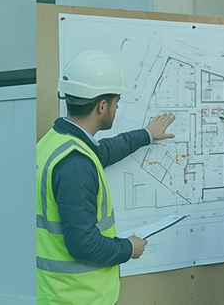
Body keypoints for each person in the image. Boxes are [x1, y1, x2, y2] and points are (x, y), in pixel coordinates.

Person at [36, 49, 176, 305]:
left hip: (57, 292)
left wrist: (146, 134)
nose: (117, 106)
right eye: (116, 101)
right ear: (102, 106)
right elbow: (83, 244)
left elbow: (103, 151)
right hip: (76, 297)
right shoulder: (75, 162)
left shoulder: (56, 142)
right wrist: (128, 248)